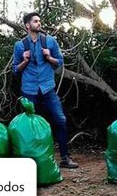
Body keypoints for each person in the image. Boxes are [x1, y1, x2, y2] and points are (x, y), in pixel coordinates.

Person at [12, 12, 78, 168]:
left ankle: (64, 158)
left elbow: (59, 63)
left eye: (39, 21)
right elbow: (15, 70)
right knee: (30, 127)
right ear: (27, 25)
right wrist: (25, 60)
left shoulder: (50, 41)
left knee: (60, 120)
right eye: (35, 21)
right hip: (29, 90)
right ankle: (33, 161)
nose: (39, 23)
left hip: (48, 88)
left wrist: (49, 58)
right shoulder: (20, 45)